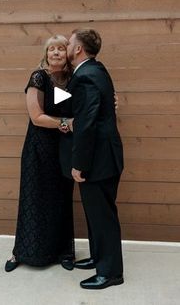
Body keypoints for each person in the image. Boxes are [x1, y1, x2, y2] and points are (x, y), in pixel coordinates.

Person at [59, 29, 124, 290]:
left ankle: (110, 273)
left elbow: (86, 124)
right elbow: (72, 105)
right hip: (103, 157)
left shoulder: (86, 76)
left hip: (98, 160)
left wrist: (79, 164)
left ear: (78, 50)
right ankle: (99, 257)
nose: (66, 46)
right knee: (95, 214)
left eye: (69, 43)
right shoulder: (93, 70)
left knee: (103, 216)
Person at [5, 35, 75, 272]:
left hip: (63, 149)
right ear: (46, 54)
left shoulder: (72, 79)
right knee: (33, 199)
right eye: (51, 49)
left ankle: (64, 252)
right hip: (38, 148)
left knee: (62, 199)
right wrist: (66, 122)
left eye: (61, 49)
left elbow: (85, 104)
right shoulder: (39, 77)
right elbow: (36, 117)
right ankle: (21, 253)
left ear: (69, 53)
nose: (55, 53)